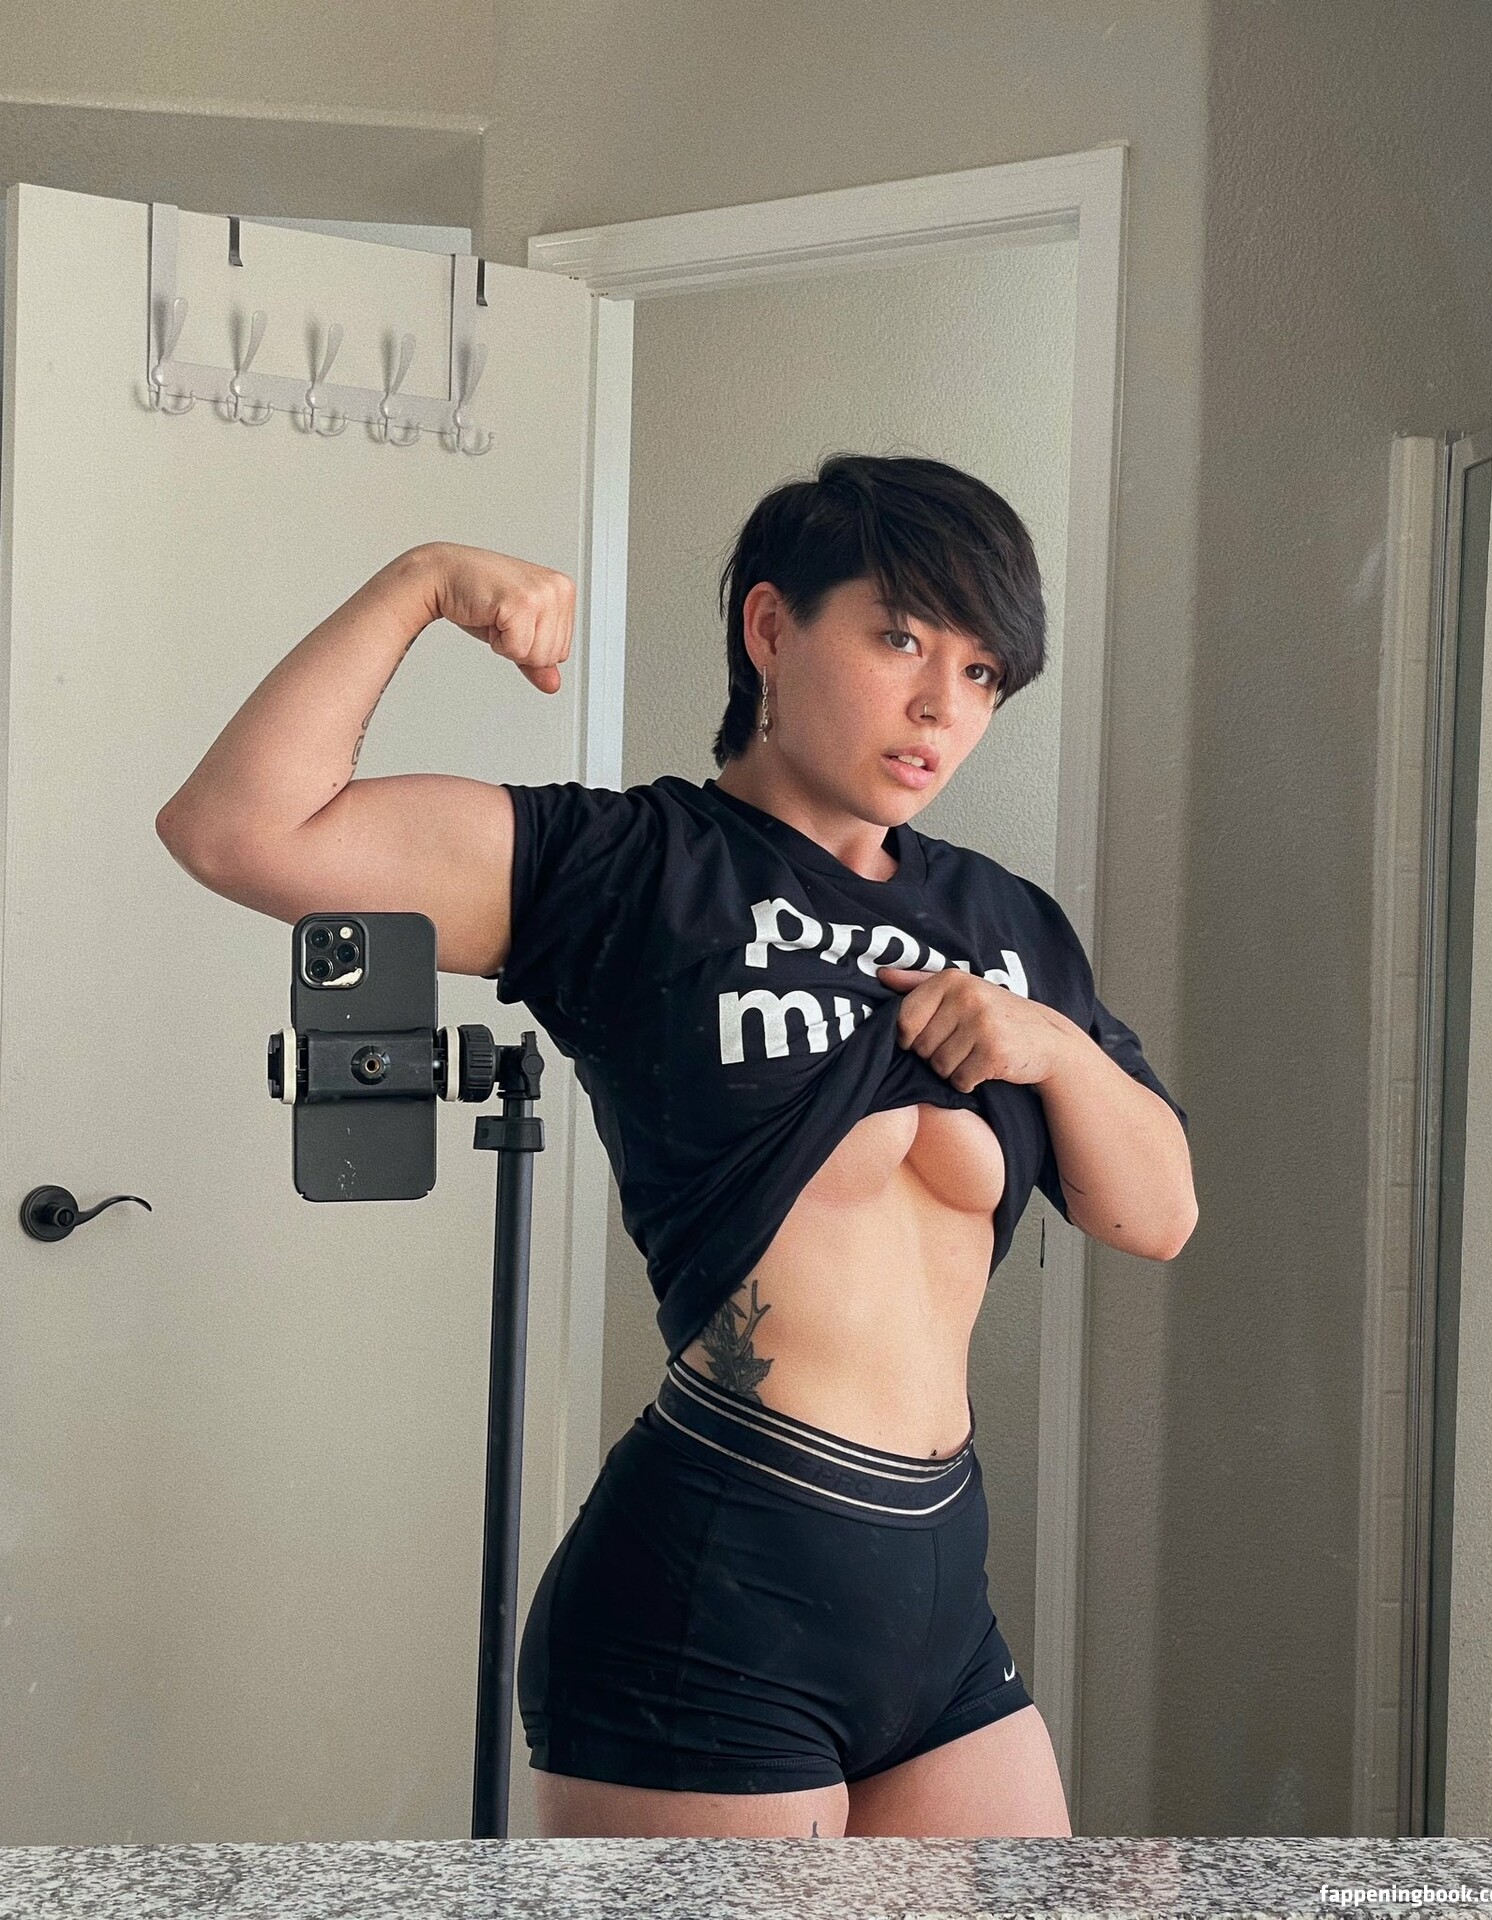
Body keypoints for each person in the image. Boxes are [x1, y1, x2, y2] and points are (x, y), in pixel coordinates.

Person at [155, 451, 1197, 1840]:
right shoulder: (631, 870)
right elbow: (236, 832)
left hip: (937, 1599)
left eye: (982, 673)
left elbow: (1155, 1215)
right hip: (712, 1590)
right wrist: (421, 583)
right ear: (770, 626)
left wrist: (1050, 1044)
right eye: (900, 639)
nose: (941, 707)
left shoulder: (1005, 922)